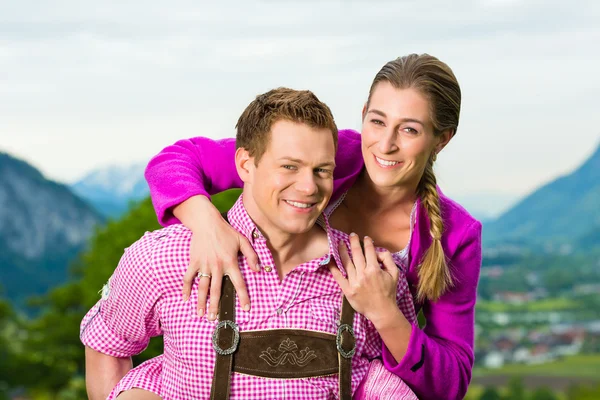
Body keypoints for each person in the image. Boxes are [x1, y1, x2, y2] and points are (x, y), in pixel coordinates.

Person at [144, 53, 483, 400]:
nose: (386, 144)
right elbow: (177, 161)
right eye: (378, 121)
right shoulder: (322, 159)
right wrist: (207, 224)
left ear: (442, 139)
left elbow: (450, 383)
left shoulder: (455, 235)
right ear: (364, 113)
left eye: (410, 129)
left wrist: (384, 312)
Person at [80, 87, 418, 400]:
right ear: (245, 164)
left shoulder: (372, 274)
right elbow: (108, 343)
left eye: (321, 170)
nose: (308, 187)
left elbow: (384, 378)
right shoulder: (163, 258)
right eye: (289, 167)